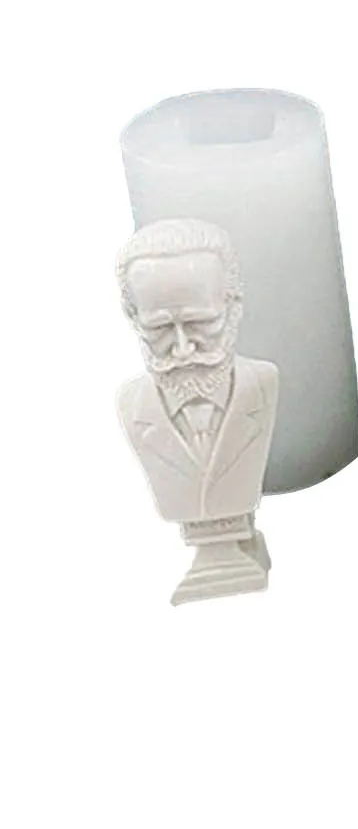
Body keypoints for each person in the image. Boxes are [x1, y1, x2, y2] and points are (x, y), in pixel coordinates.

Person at [115, 219, 277, 602]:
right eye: (159, 327)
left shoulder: (264, 383)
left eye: (201, 323)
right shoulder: (131, 404)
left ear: (233, 307)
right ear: (133, 318)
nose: (183, 347)